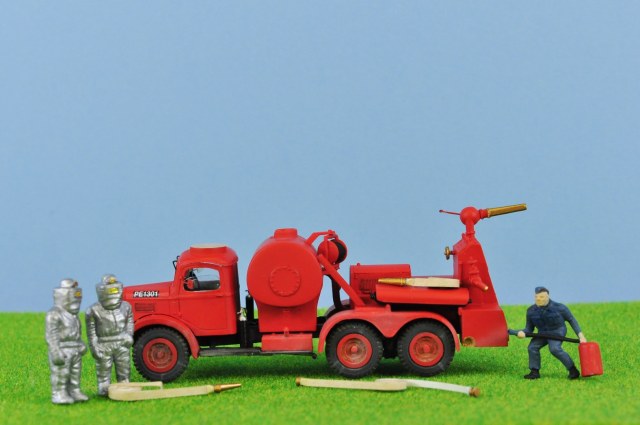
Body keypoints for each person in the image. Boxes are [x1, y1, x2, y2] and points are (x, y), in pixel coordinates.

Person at [517, 286, 587, 380]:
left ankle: (573, 370)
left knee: (554, 349)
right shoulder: (531, 311)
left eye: (541, 297)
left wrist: (581, 336)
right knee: (532, 347)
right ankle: (534, 371)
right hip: (542, 333)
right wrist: (522, 333)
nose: (538, 299)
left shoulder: (560, 308)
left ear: (547, 297)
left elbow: (572, 320)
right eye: (536, 297)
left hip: (557, 331)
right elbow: (529, 329)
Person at [86, 274, 134, 396]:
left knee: (124, 367)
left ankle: (124, 386)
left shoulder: (126, 307)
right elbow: (91, 332)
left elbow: (129, 322)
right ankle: (104, 389)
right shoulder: (93, 310)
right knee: (103, 369)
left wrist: (129, 335)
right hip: (103, 343)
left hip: (122, 341)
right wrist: (94, 347)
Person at [45, 278, 88, 404]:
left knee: (75, 372)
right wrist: (55, 351)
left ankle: (74, 391)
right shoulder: (55, 314)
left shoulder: (73, 315)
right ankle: (59, 393)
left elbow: (77, 332)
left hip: (75, 349)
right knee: (61, 373)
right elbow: (51, 335)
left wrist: (80, 344)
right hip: (62, 349)